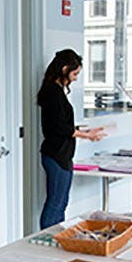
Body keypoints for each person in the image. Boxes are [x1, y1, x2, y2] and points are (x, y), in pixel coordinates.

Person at [37, 49, 106, 229]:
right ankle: (48, 237)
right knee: (55, 203)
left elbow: (61, 124)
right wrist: (86, 135)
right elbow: (58, 127)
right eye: (75, 73)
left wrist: (85, 131)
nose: (75, 78)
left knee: (61, 202)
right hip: (56, 154)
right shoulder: (52, 92)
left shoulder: (56, 90)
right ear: (64, 69)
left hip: (62, 155)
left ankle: (57, 236)